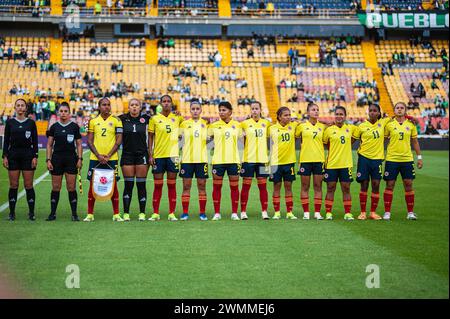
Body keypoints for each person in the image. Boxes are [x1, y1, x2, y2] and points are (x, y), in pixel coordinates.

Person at [84, 98, 123, 222]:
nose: (106, 107)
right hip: (95, 158)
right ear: (99, 107)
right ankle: (90, 214)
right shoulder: (93, 121)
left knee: (114, 185)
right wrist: (98, 155)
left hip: (112, 159)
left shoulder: (117, 120)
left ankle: (116, 214)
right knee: (92, 185)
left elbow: (119, 140)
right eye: (104, 105)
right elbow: (89, 141)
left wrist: (109, 155)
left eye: (108, 105)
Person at [383, 102, 423, 220]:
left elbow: (415, 141)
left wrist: (419, 158)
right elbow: (383, 140)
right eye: (397, 108)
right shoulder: (389, 124)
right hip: (392, 159)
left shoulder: (411, 124)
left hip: (407, 159)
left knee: (408, 184)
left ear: (405, 110)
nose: (399, 110)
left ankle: (410, 212)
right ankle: (387, 212)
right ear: (394, 110)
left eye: (402, 108)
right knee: (389, 185)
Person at [352, 104, 391, 220]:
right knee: (364, 184)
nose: (372, 113)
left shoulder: (383, 123)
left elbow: (396, 118)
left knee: (376, 185)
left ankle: (373, 212)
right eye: (371, 111)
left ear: (379, 113)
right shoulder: (361, 126)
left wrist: (410, 119)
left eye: (375, 111)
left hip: (377, 159)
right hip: (364, 158)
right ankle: (363, 212)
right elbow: (351, 141)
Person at [2, 99, 39, 221]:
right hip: (13, 156)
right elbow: (6, 141)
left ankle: (31, 213)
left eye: (22, 105)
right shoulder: (10, 122)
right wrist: (5, 156)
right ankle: (12, 213)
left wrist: (35, 156)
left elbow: (35, 141)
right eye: (18, 105)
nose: (20, 107)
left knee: (28, 185)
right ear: (15, 108)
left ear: (25, 108)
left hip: (28, 156)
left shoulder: (31, 123)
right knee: (14, 185)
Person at [45, 102, 83, 221]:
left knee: (71, 187)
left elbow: (79, 144)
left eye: (65, 111)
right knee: (56, 187)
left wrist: (80, 159)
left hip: (71, 159)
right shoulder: (54, 127)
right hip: (57, 159)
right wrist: (48, 160)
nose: (63, 113)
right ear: (58, 113)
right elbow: (49, 145)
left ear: (69, 113)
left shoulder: (74, 127)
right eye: (61, 111)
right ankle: (52, 213)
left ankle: (74, 214)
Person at [147, 95, 183, 221]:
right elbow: (150, 137)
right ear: (160, 104)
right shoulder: (154, 119)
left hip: (173, 156)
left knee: (172, 185)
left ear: (172, 103)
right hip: (159, 155)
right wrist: (150, 155)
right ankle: (155, 213)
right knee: (158, 185)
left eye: (168, 101)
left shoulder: (178, 118)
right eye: (164, 101)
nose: (166, 103)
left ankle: (171, 213)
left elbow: (185, 133)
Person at [208, 101, 242, 221]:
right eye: (220, 110)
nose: (221, 112)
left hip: (233, 160)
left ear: (230, 112)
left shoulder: (237, 125)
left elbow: (243, 142)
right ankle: (217, 213)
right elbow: (207, 139)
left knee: (234, 187)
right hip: (218, 161)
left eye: (224, 110)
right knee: (217, 187)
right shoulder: (213, 125)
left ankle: (234, 213)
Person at [323, 106, 357, 221]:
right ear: (334, 116)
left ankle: (347, 213)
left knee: (346, 188)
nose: (339, 116)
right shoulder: (328, 130)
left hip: (346, 164)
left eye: (341, 114)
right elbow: (325, 143)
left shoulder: (351, 128)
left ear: (345, 116)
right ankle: (328, 213)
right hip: (332, 164)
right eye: (337, 114)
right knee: (330, 188)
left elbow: (355, 138)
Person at [118, 98, 150, 222]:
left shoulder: (147, 119)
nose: (134, 107)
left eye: (137, 105)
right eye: (132, 105)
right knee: (128, 185)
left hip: (142, 155)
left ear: (140, 107)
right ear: (129, 107)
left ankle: (142, 213)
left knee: (141, 185)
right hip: (127, 155)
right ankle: (126, 213)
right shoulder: (121, 119)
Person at [240, 101, 271, 220]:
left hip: (263, 160)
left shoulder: (266, 123)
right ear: (250, 110)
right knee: (246, 186)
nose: (254, 111)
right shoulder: (245, 124)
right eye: (252, 108)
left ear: (260, 110)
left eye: (256, 108)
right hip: (248, 159)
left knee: (263, 186)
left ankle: (264, 211)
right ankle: (243, 211)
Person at [295, 103, 326, 220]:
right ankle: (306, 213)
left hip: (319, 160)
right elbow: (295, 137)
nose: (316, 112)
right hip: (305, 160)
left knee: (318, 186)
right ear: (308, 112)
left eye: (317, 110)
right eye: (313, 110)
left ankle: (317, 212)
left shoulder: (323, 127)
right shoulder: (301, 126)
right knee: (305, 186)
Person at [179, 101, 209, 221]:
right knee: (186, 186)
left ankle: (202, 213)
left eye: (197, 109)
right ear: (190, 110)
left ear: (201, 110)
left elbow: (211, 141)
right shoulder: (184, 124)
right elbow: (179, 141)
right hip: (187, 160)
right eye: (193, 109)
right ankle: (185, 213)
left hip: (202, 160)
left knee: (202, 186)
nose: (195, 111)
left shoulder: (206, 124)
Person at [268, 107, 298, 220]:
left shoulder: (294, 126)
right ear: (279, 117)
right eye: (285, 115)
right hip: (275, 163)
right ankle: (277, 212)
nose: (288, 117)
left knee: (288, 187)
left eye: (289, 115)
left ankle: (289, 212)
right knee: (276, 187)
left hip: (289, 162)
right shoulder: (271, 128)